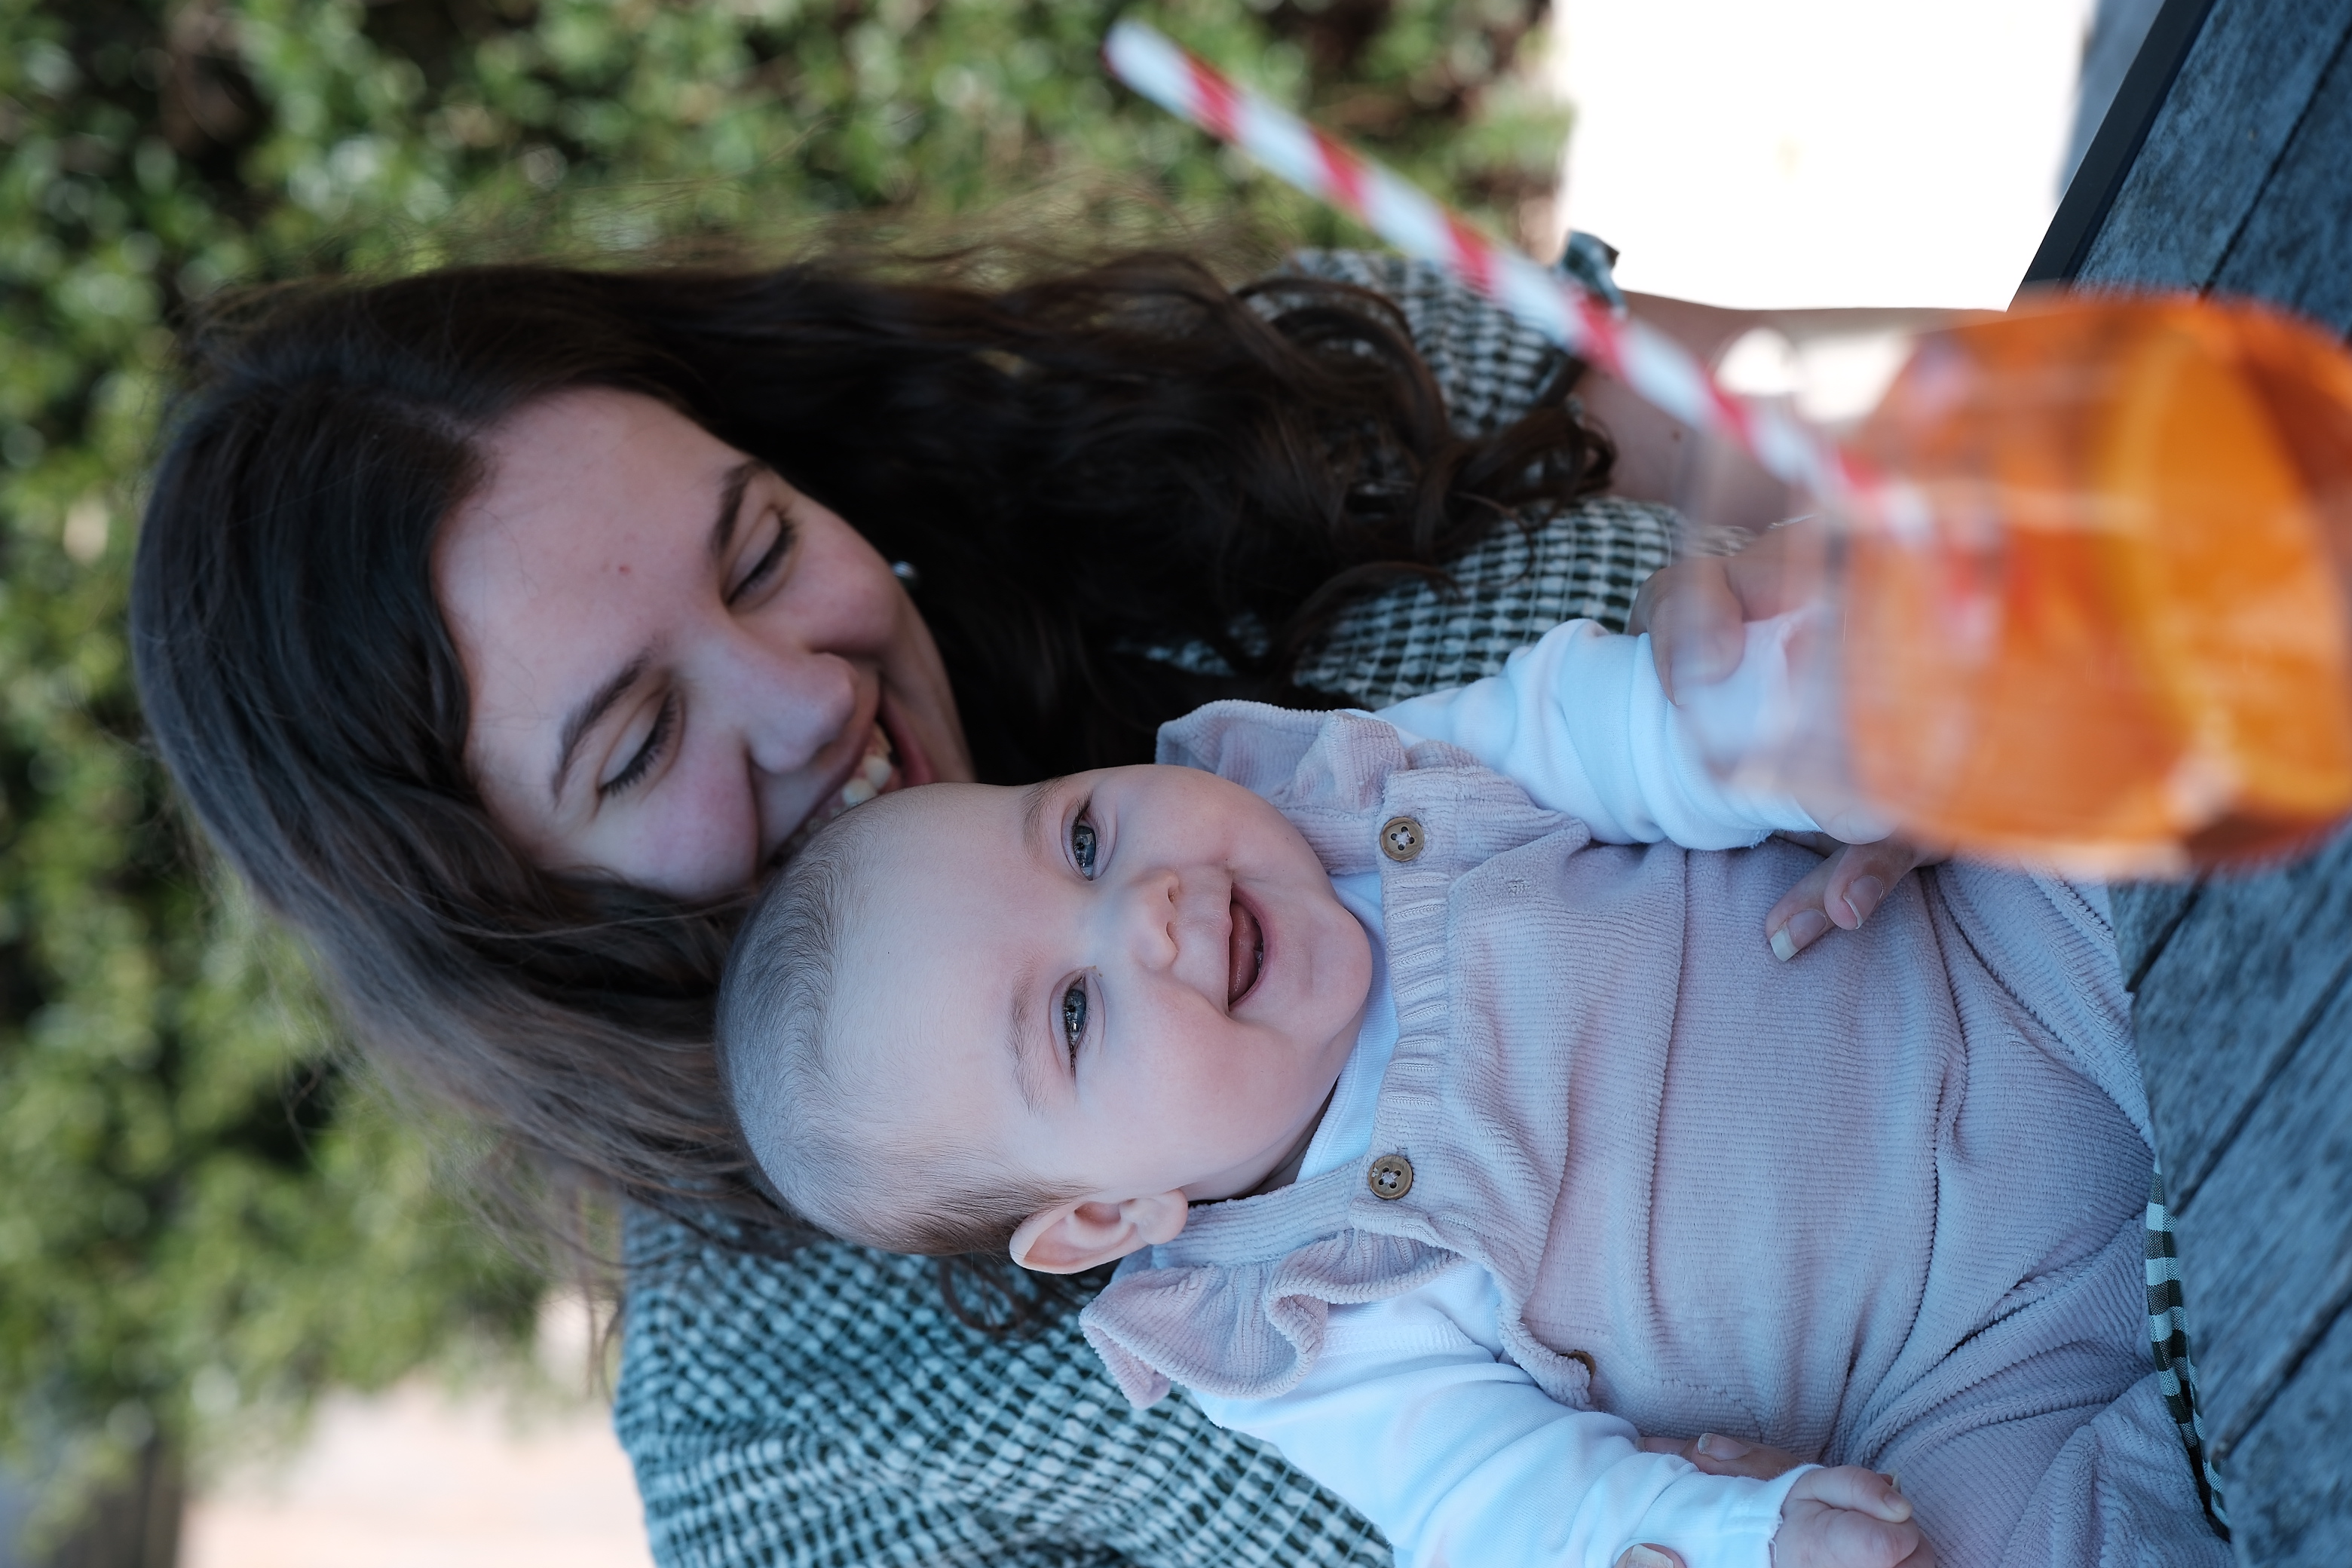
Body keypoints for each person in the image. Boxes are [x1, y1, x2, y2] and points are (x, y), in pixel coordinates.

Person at [129, 243, 1934, 1566]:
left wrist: (1902, 575)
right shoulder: (786, 1444)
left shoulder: (1229, 413)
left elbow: (1803, 412)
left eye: (760, 550)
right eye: (641, 738)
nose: (805, 696)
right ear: (523, 920)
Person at [711, 607, 2221, 1568]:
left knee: (2107, 737)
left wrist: (1803, 743)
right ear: (1107, 1211)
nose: (1149, 908)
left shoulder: (1371, 795)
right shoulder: (1296, 1321)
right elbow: (1500, 1511)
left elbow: (1617, 723)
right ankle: (2230, 1403)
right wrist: (1735, 1532)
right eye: (1077, 1012)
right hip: (1951, 1381)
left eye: (1084, 840)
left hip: (1994, 958)